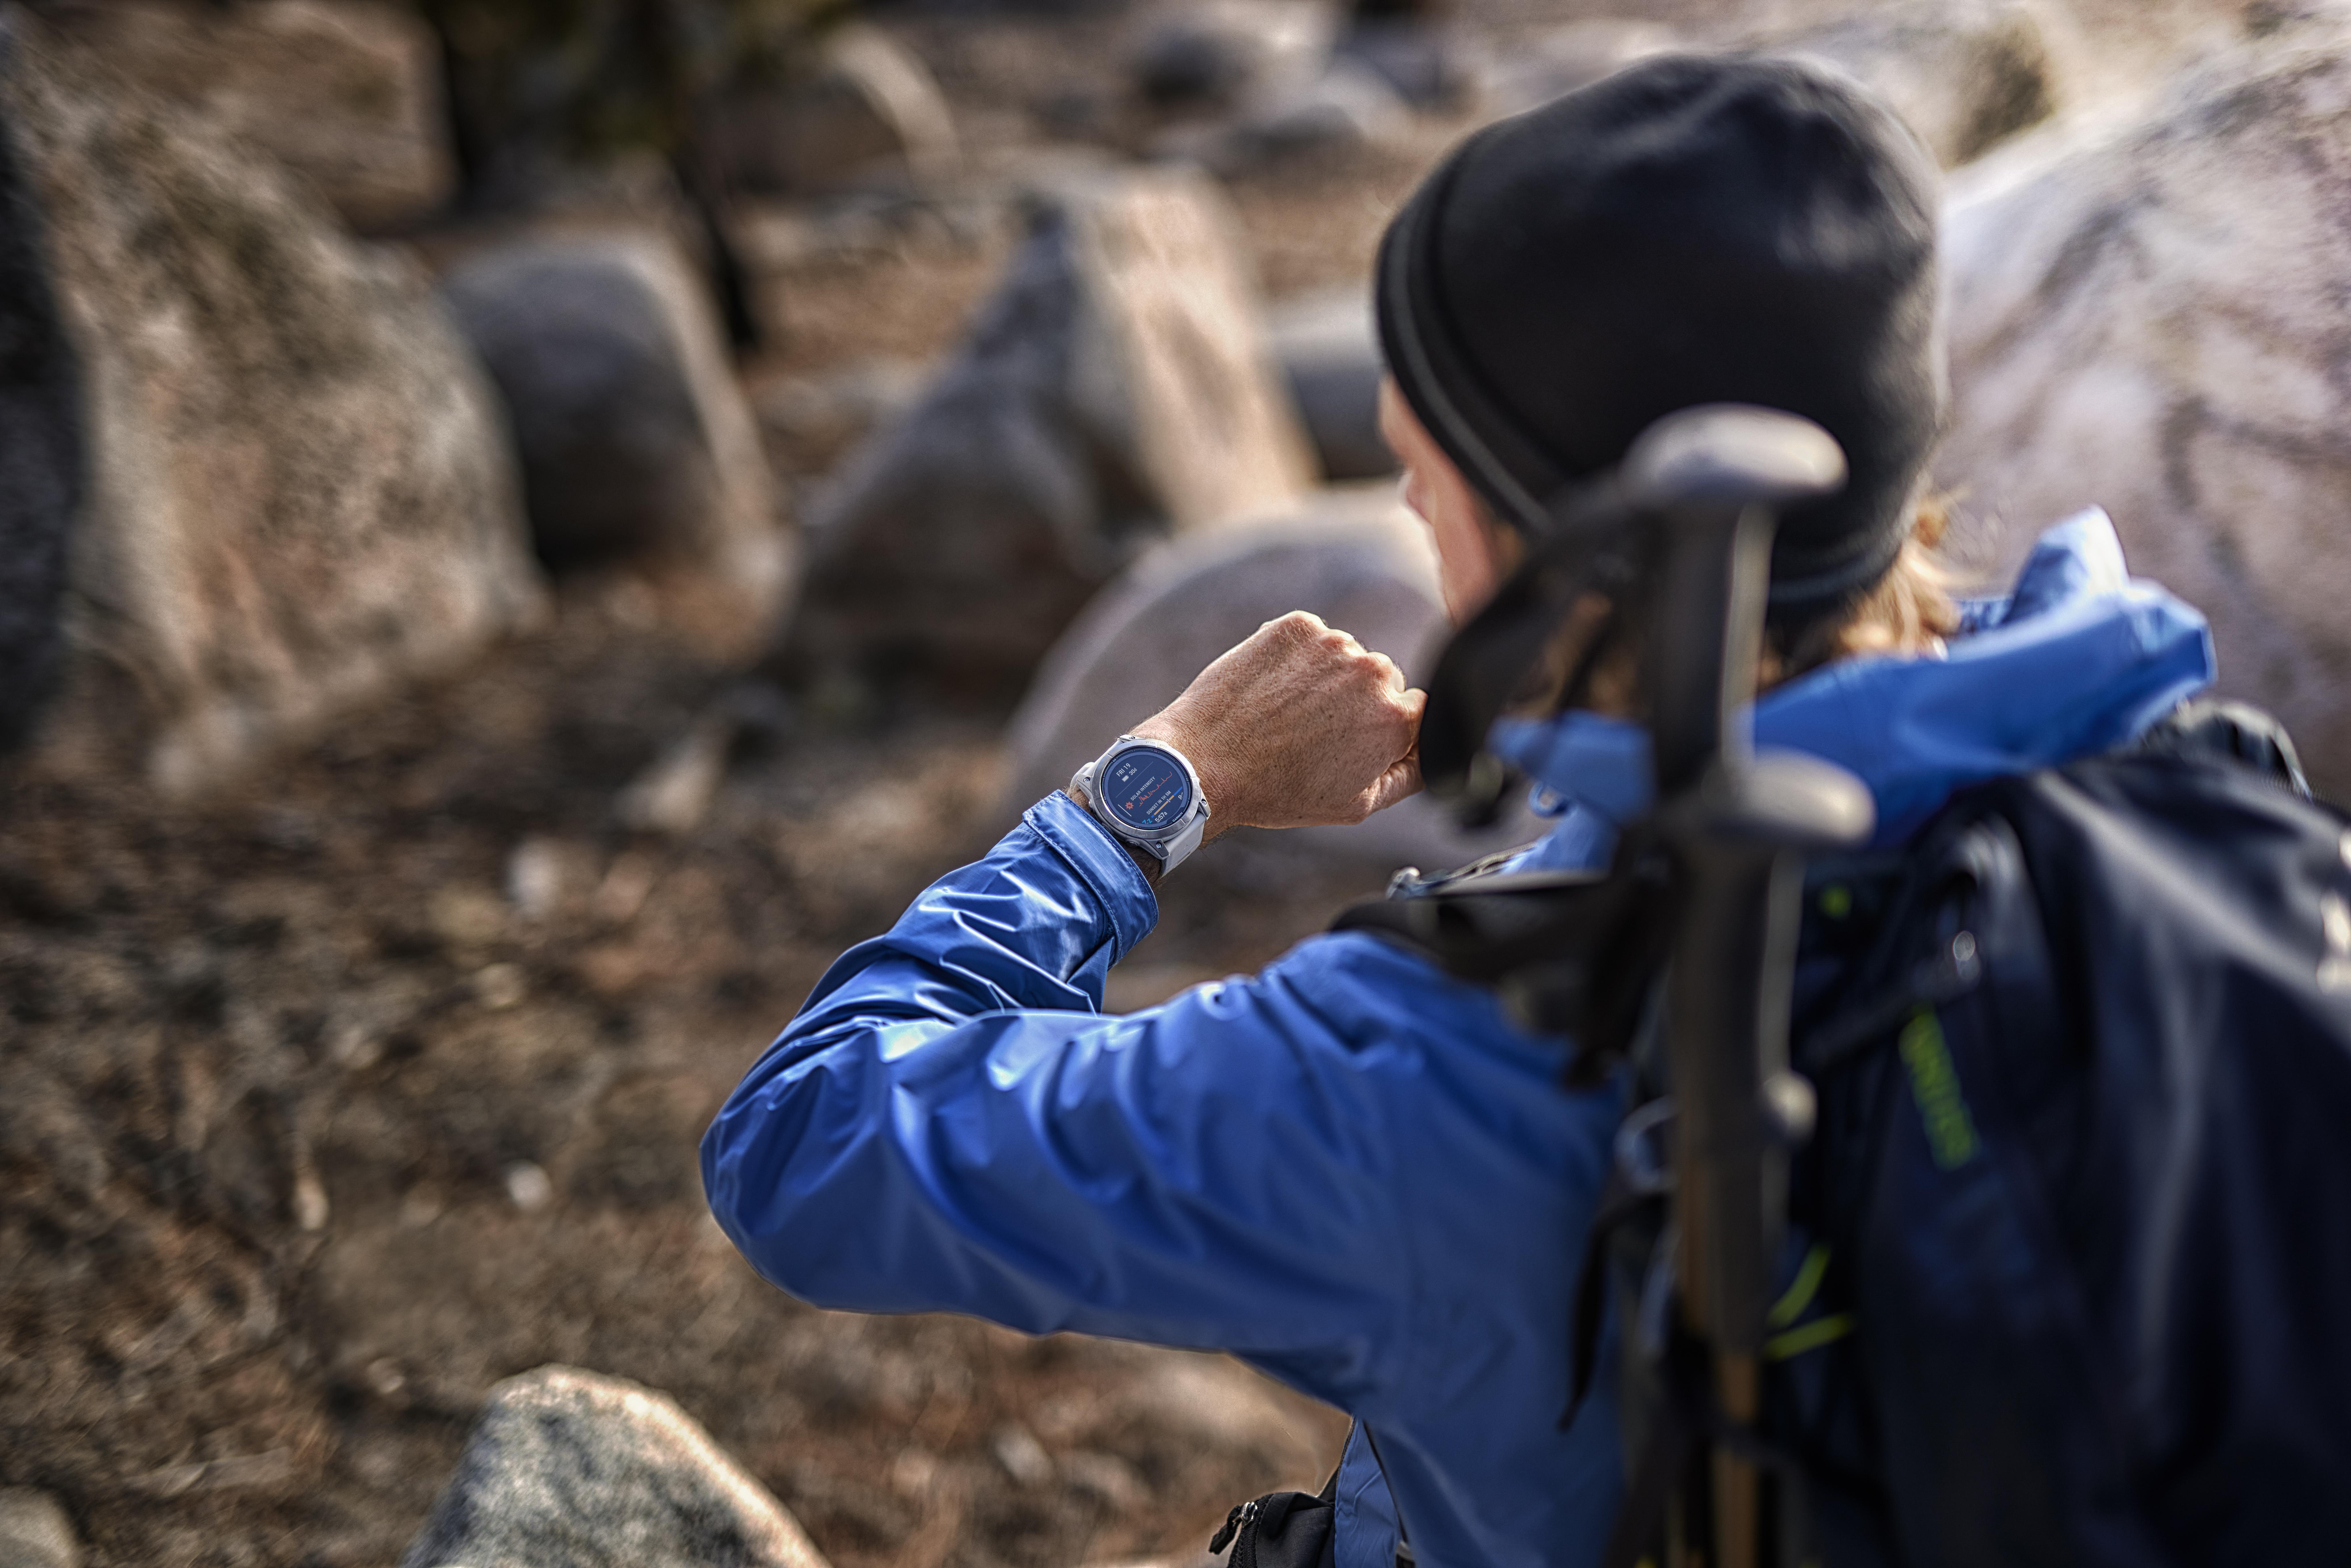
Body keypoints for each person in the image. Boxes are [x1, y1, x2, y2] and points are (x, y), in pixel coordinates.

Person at [701, 54, 2214, 1568]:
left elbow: (804, 1137)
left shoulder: (1430, 1068)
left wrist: (1156, 786)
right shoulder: (2179, 790)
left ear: (1552, 539)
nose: (1415, 528)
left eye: (1423, 476)